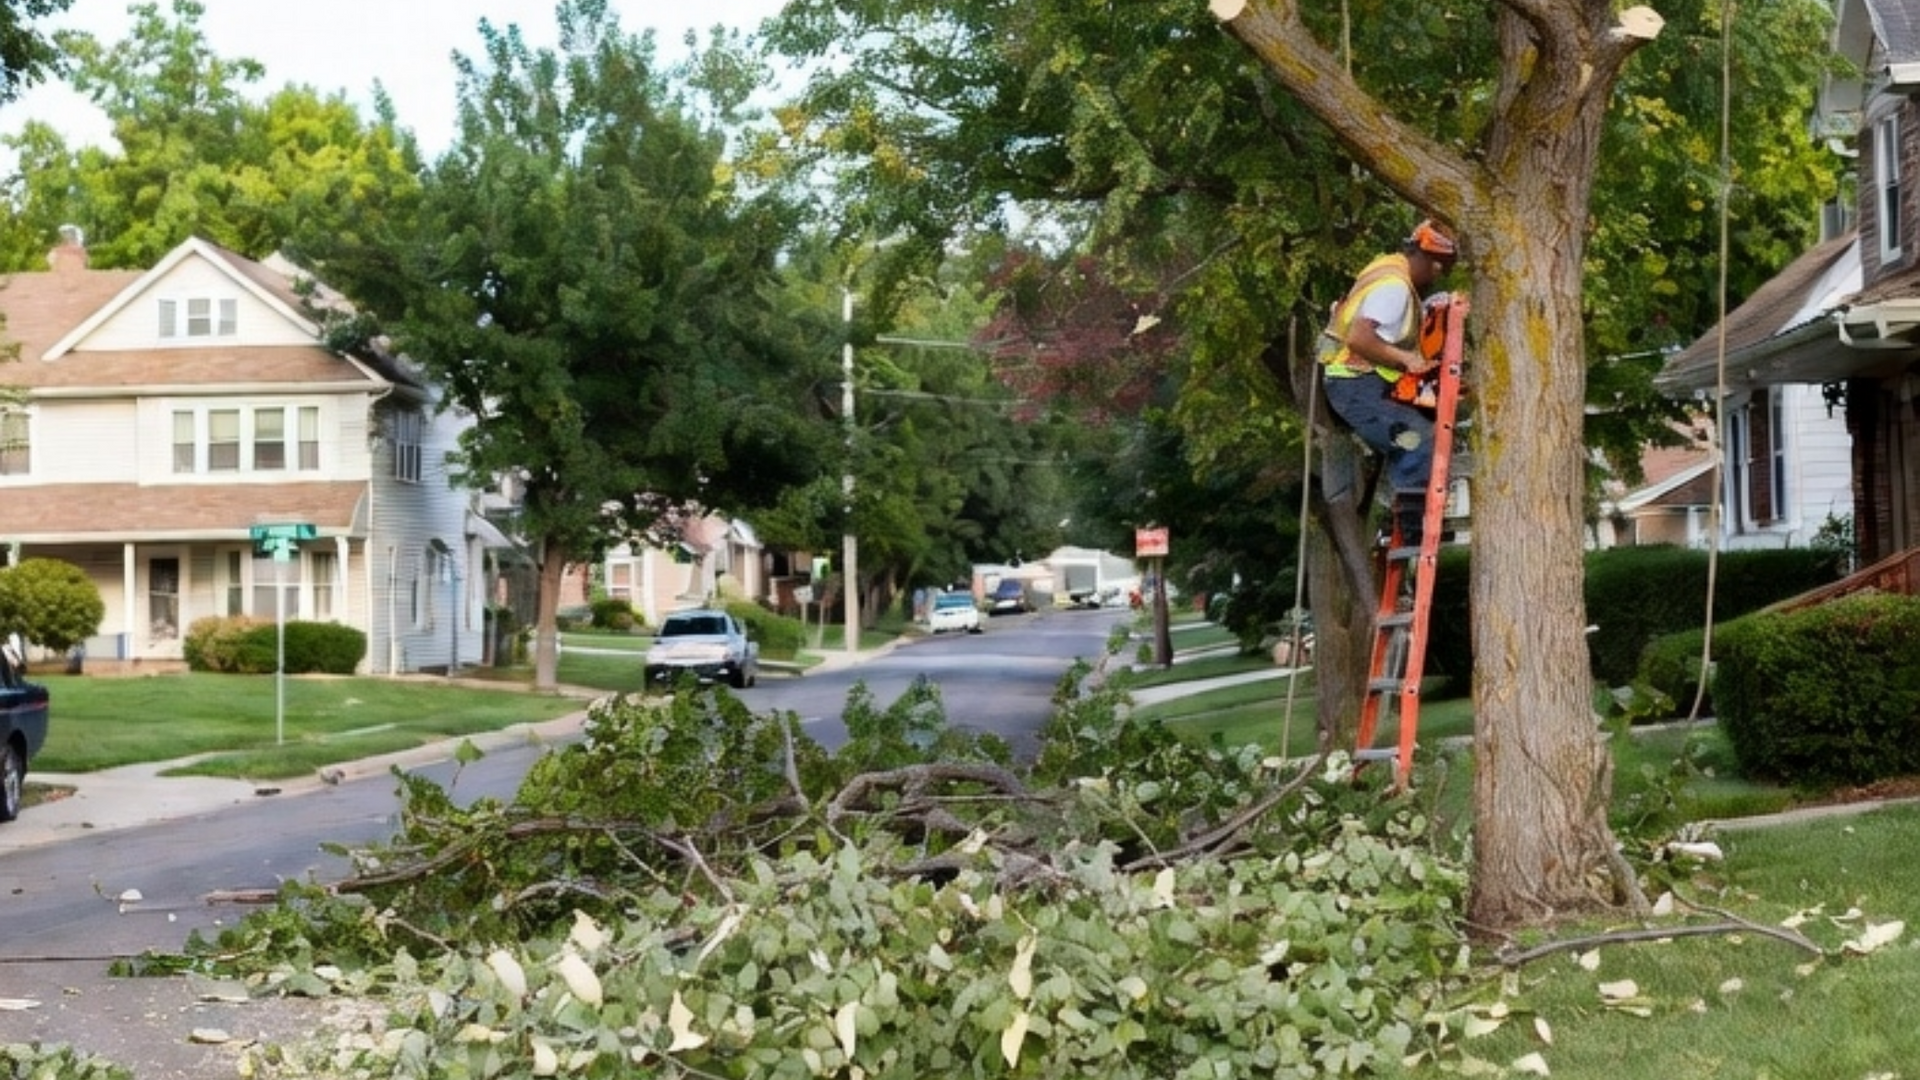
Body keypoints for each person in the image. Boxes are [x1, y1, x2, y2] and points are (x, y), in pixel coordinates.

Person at [1318, 218, 1458, 545]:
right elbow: (1359, 338)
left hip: (1362, 383)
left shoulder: (1386, 269)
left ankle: (1401, 511)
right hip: (1355, 384)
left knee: (1416, 427)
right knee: (1416, 439)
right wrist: (1407, 359)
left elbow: (1384, 325)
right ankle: (1415, 530)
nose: (1436, 276)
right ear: (1426, 258)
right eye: (1437, 268)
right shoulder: (1394, 287)